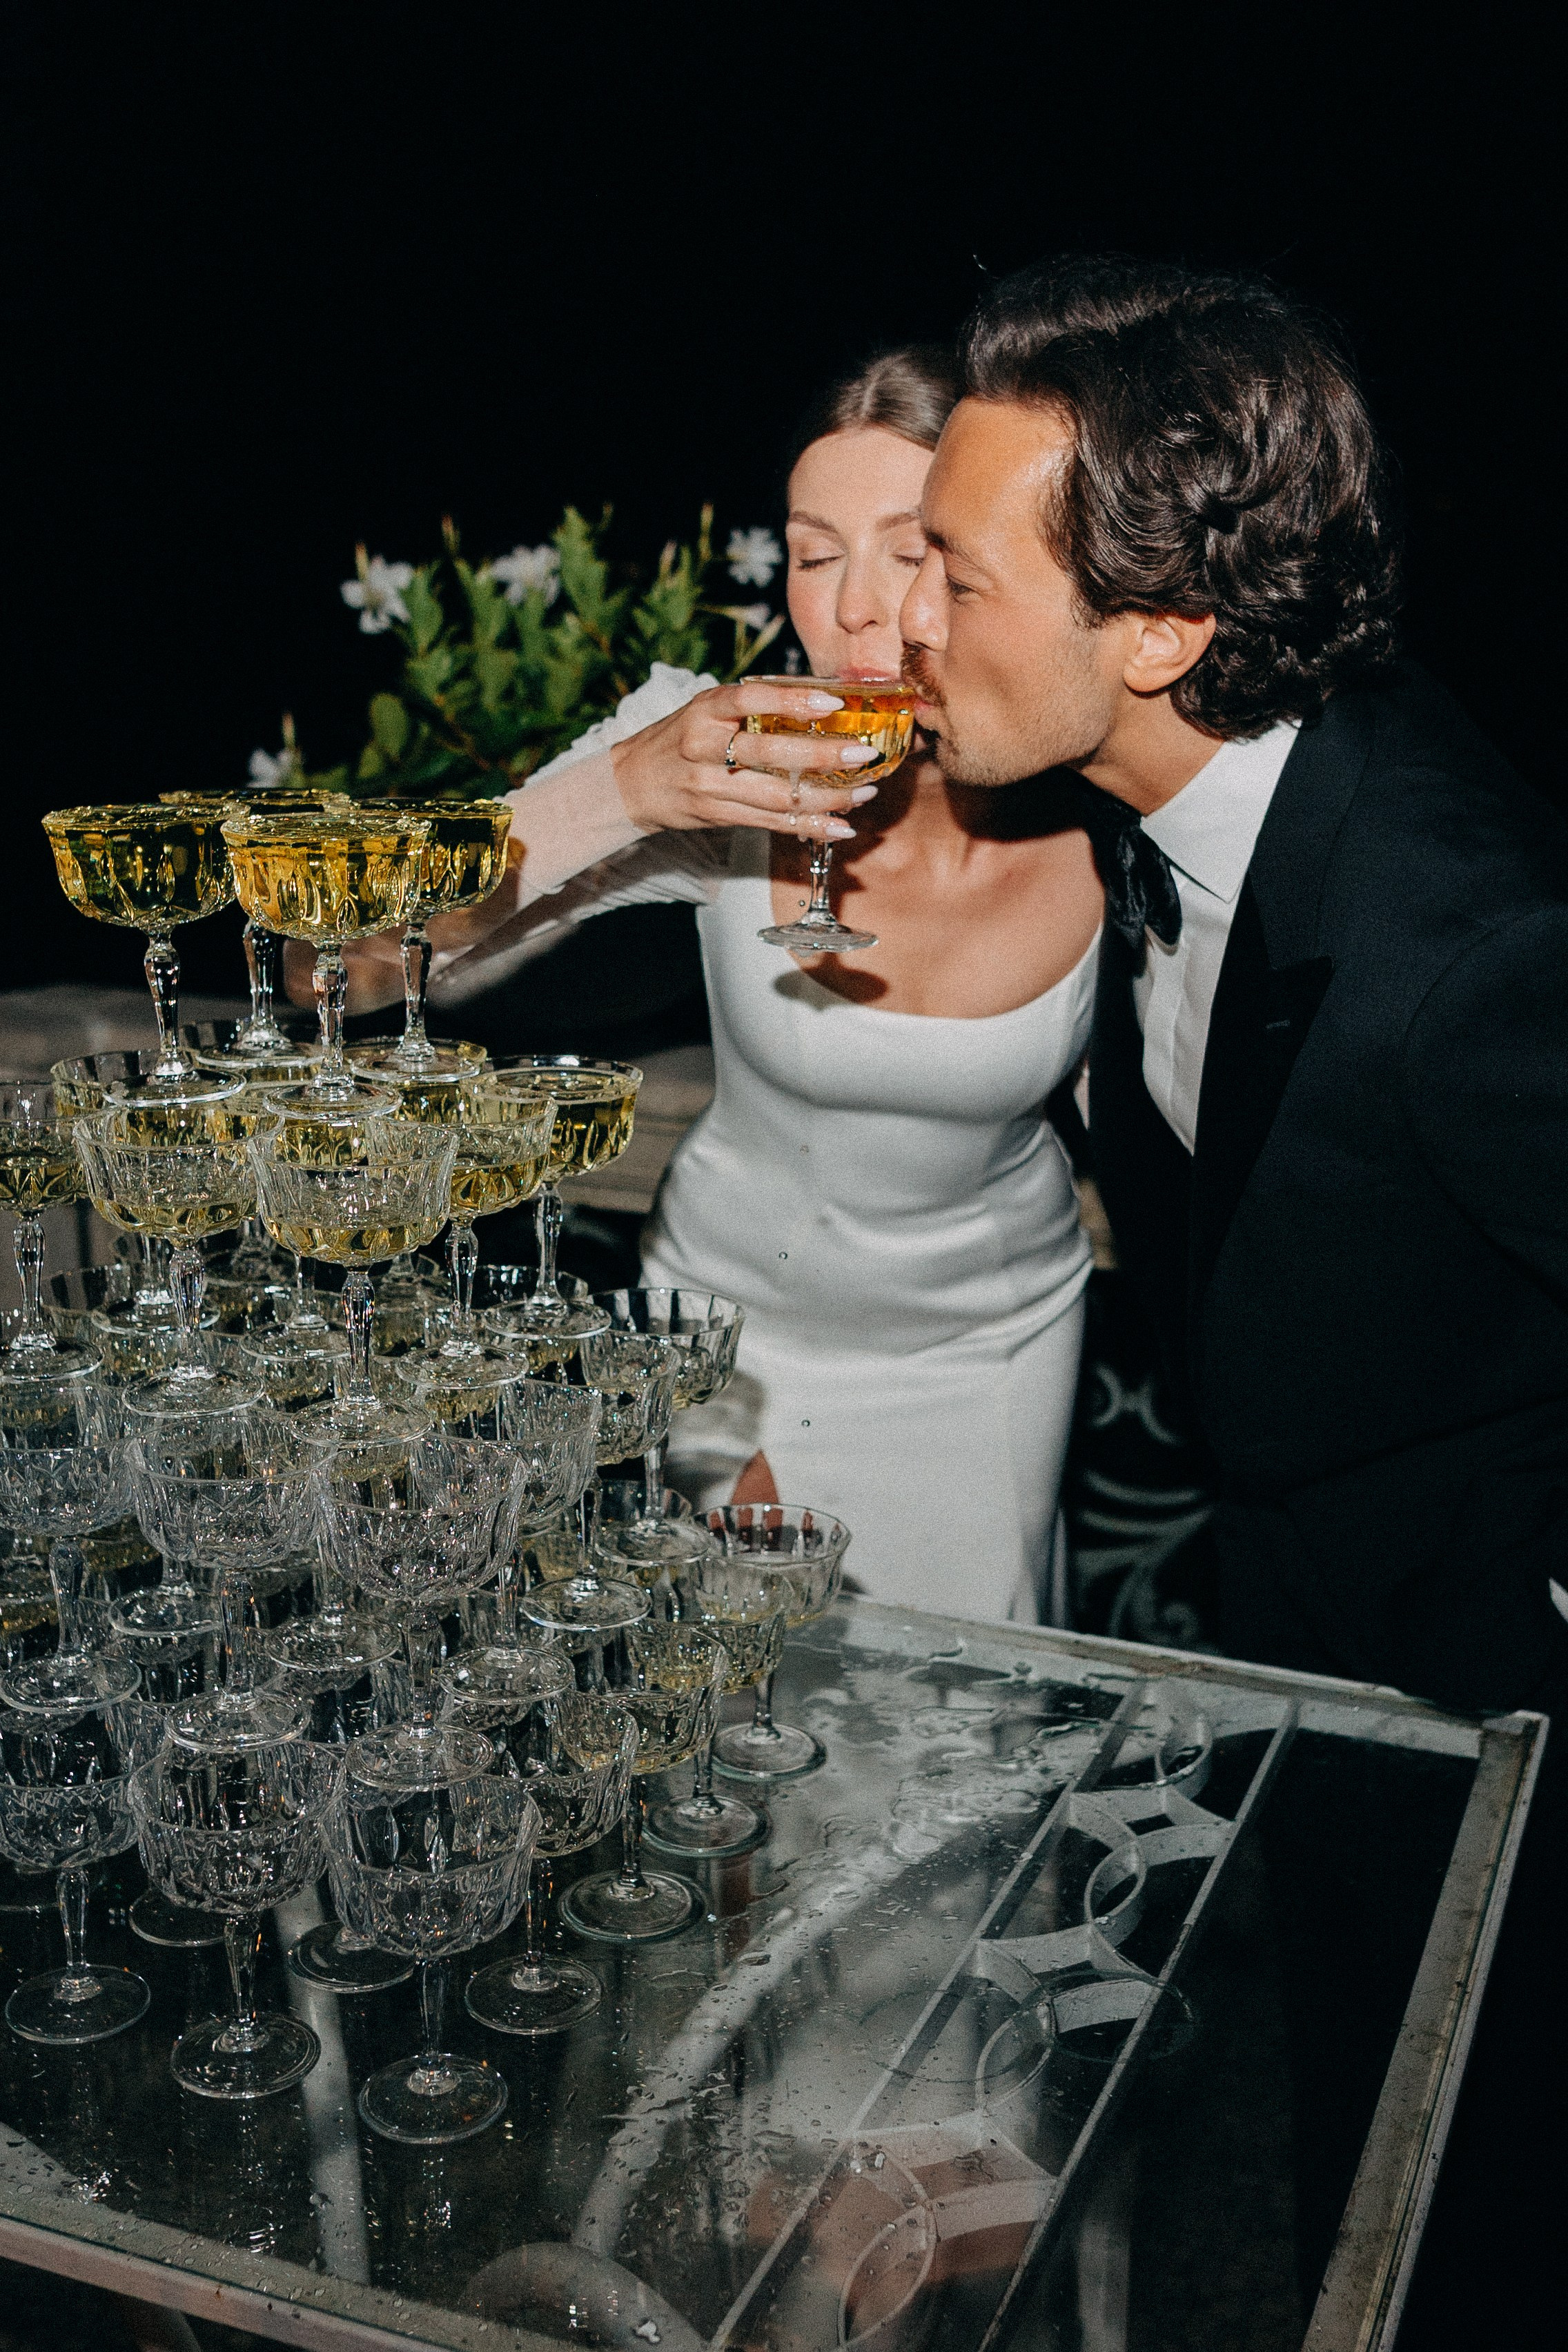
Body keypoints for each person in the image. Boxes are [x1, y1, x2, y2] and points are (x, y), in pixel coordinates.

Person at [896, 255, 1568, 2337]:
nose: (908, 625)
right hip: (1310, 1635)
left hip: (1496, 1691)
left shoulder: (1471, 948)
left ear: (1169, 626)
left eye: (958, 580)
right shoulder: (1152, 795)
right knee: (1355, 2149)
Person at [334, 349, 1105, 1622]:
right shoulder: (717, 751)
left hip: (991, 1359)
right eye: (813, 554)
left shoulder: (1098, 805)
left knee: (966, 1760)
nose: (856, 611)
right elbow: (340, 964)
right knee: (738, 1754)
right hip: (726, 1345)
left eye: (911, 550)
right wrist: (621, 793)